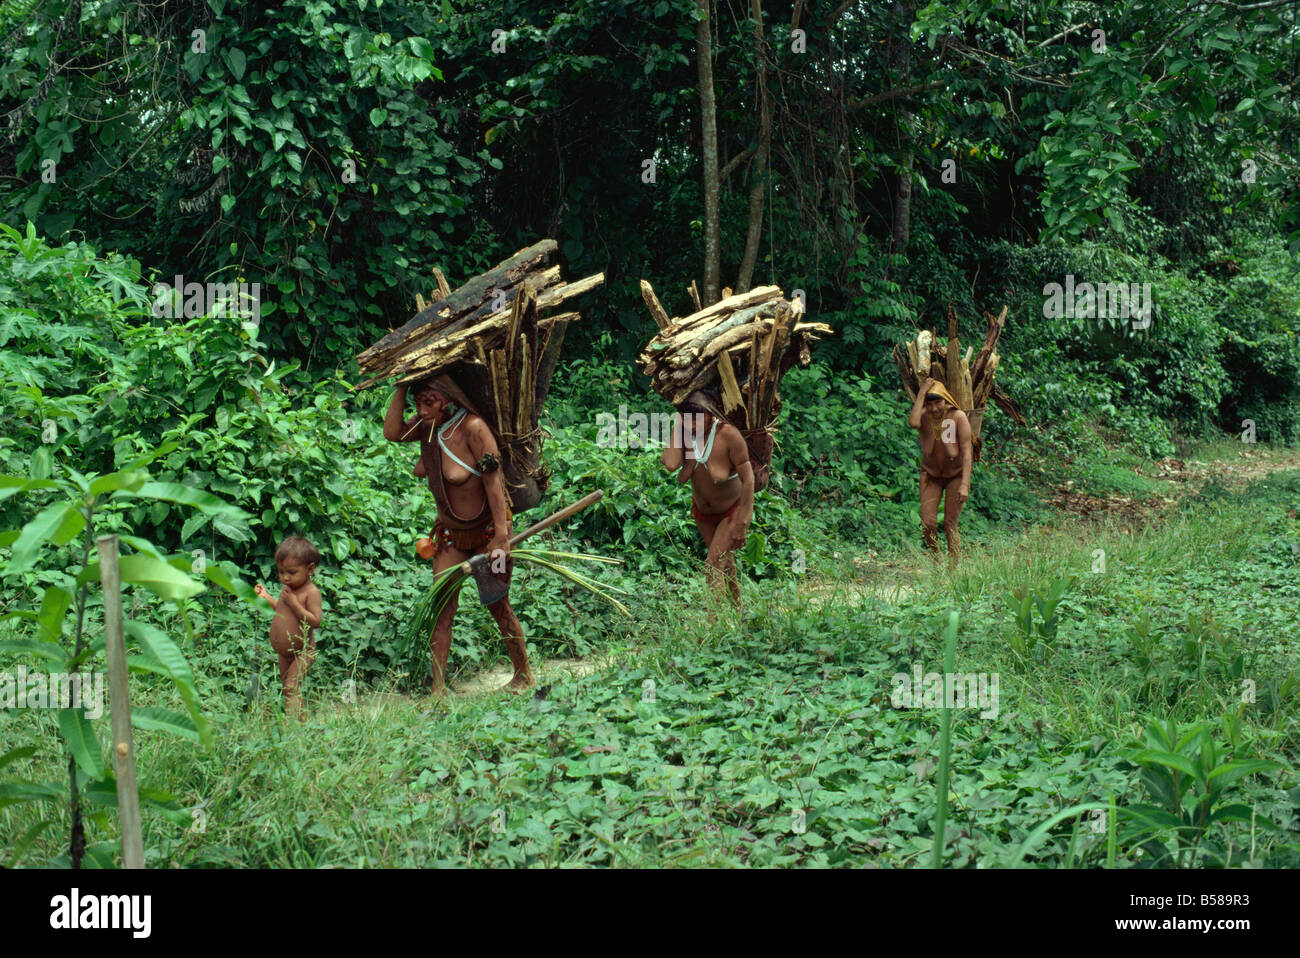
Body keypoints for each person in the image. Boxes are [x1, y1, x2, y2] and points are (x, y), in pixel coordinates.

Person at [383, 375, 534, 697]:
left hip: (489, 535)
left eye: (429, 401)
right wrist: (400, 387)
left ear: (448, 399)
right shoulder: (427, 427)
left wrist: (502, 539)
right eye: (417, 401)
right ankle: (438, 691)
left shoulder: (474, 428)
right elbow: (392, 433)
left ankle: (524, 675)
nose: (421, 409)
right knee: (442, 609)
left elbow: (494, 484)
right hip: (450, 538)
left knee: (499, 605)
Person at [661, 392, 754, 606]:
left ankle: (717, 625)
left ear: (711, 414)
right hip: (703, 514)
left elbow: (748, 480)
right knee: (725, 563)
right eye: (685, 417)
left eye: (696, 417)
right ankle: (740, 615)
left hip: (732, 511)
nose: (691, 423)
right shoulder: (685, 431)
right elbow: (670, 464)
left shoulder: (728, 435)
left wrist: (743, 521)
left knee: (713, 565)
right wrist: (679, 423)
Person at [254, 536, 323, 721]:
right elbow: (281, 609)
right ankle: (301, 722)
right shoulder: (288, 589)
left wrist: (295, 604)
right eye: (281, 572)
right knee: (288, 687)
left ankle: (293, 727)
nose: (285, 577)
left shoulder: (311, 593)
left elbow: (316, 621)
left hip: (303, 651)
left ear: (310, 569)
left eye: (291, 572)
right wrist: (266, 597)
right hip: (285, 652)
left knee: (291, 686)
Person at [908, 378, 972, 564]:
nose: (934, 408)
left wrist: (964, 484)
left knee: (950, 523)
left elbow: (967, 452)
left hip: (955, 475)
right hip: (931, 475)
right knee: (927, 523)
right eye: (929, 404)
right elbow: (913, 422)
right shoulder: (924, 415)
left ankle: (954, 566)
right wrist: (922, 393)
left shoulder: (958, 417)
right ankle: (937, 561)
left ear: (946, 400)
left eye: (938, 402)